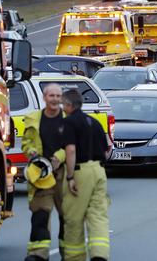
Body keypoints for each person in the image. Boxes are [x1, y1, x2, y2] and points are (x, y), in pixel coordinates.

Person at [61, 89, 110, 261]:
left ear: (68, 105)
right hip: (99, 171)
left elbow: (71, 150)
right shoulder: (94, 122)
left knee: (74, 218)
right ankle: (99, 255)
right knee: (98, 216)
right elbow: (107, 149)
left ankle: (75, 257)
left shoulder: (69, 123)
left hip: (81, 172)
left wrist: (69, 176)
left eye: (63, 104)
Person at [21, 84, 66, 261]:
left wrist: (59, 157)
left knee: (67, 217)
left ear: (61, 98)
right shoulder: (33, 119)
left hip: (63, 173)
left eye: (58, 96)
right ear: (44, 97)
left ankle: (69, 254)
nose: (54, 99)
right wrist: (30, 151)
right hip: (41, 173)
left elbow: (74, 145)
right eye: (51, 95)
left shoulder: (68, 120)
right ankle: (38, 254)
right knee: (40, 214)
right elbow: (26, 143)